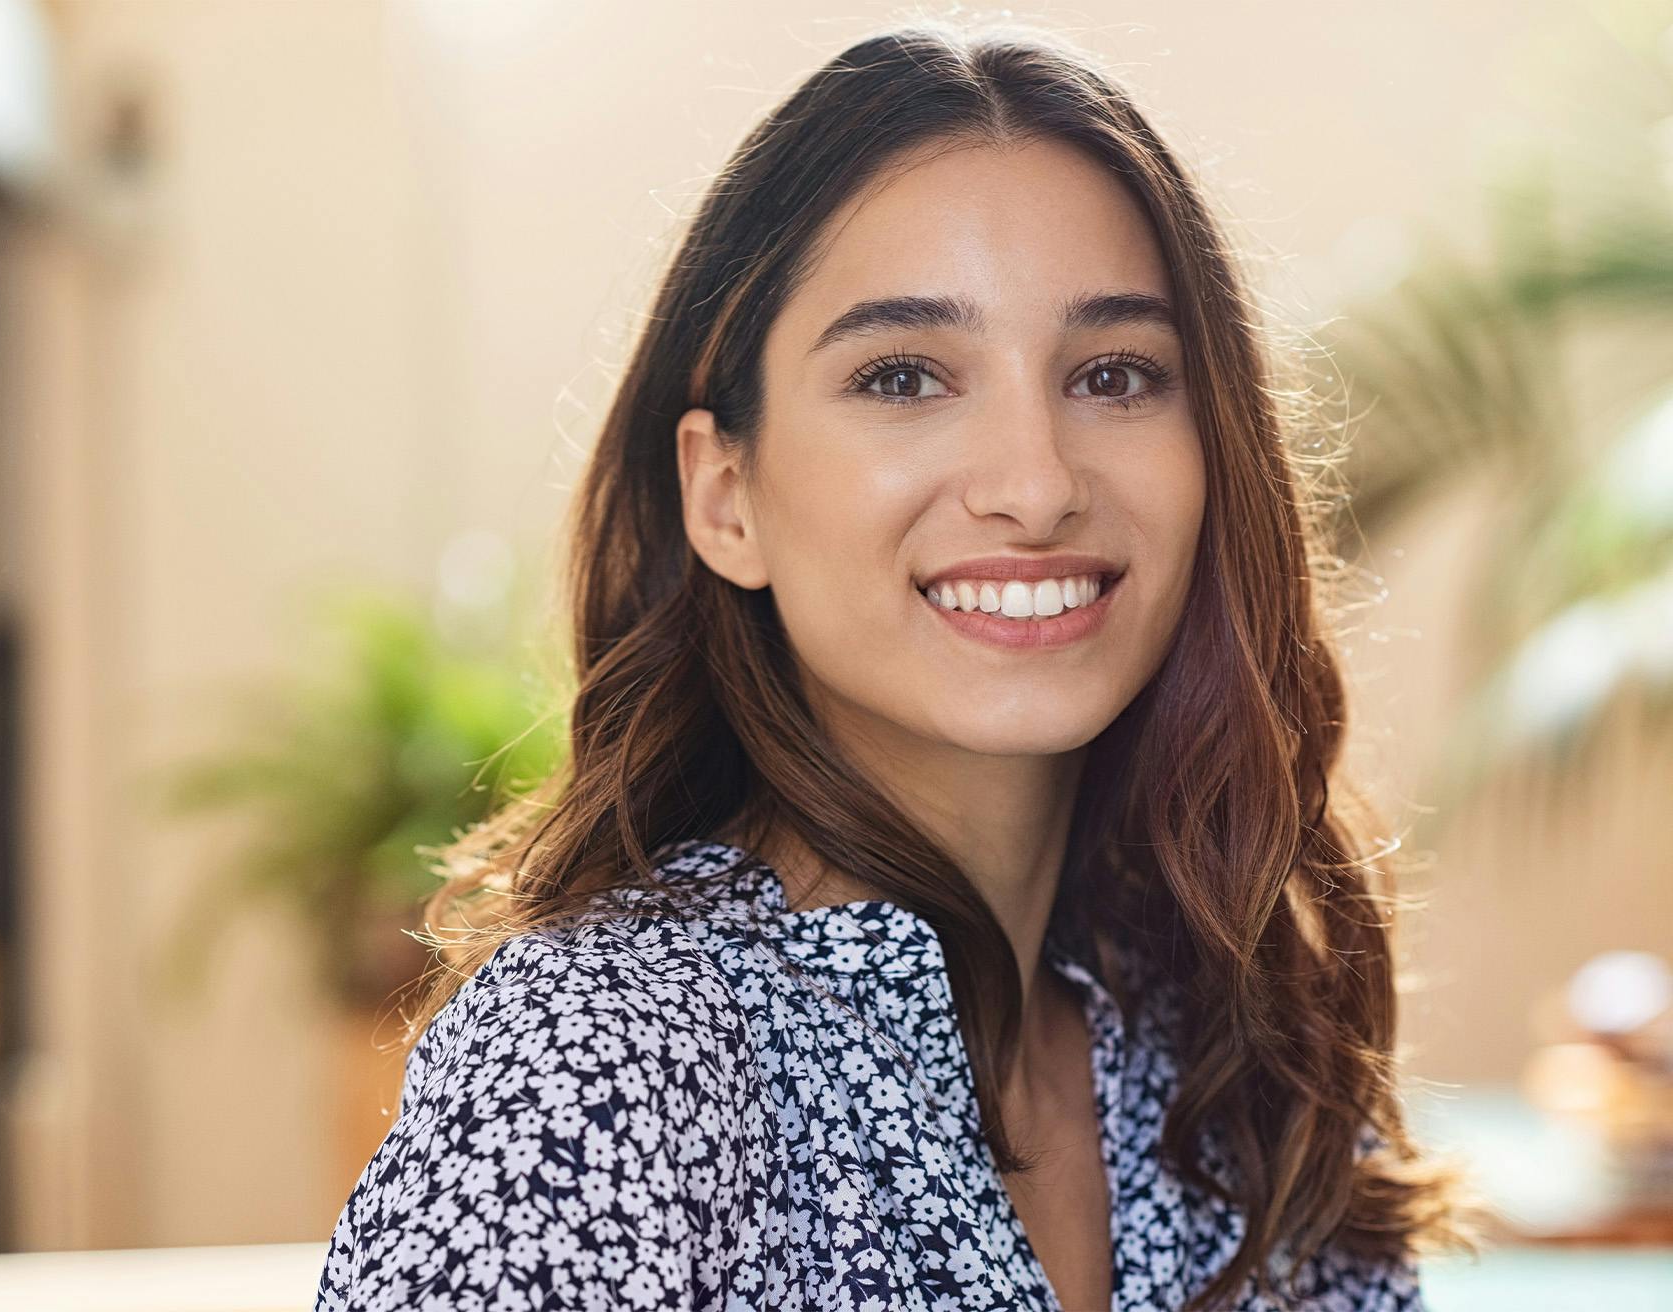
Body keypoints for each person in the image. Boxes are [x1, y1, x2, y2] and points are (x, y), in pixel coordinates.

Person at [313, 20, 1477, 1312]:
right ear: (725, 493)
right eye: (906, 375)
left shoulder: (1244, 1063)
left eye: (1113, 374)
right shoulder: (599, 1060)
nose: (1036, 485)